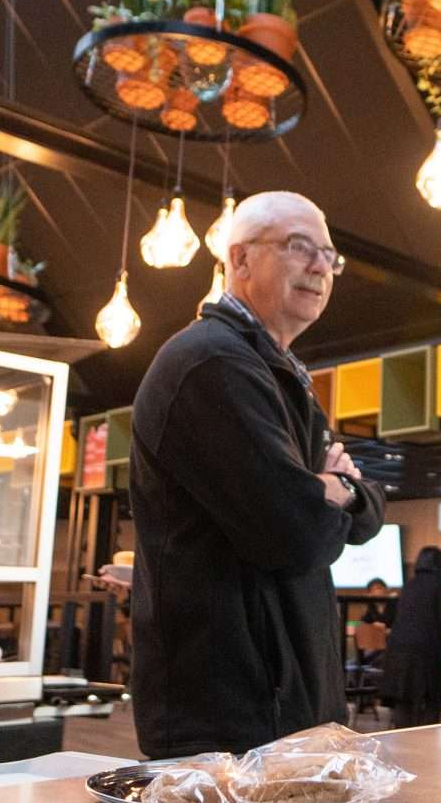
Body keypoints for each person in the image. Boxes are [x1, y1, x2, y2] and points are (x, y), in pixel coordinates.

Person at [128, 191, 384, 756]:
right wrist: (328, 490)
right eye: (299, 247)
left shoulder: (280, 372)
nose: (321, 267)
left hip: (287, 706)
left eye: (329, 255)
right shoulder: (212, 363)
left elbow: (368, 512)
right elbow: (294, 532)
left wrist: (333, 489)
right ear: (239, 260)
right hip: (228, 715)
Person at [381, 545, 441, 728]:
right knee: (433, 696)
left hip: (398, 648)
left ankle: (402, 739)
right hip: (426, 648)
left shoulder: (410, 584)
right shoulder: (439, 581)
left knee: (403, 697)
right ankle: (428, 739)